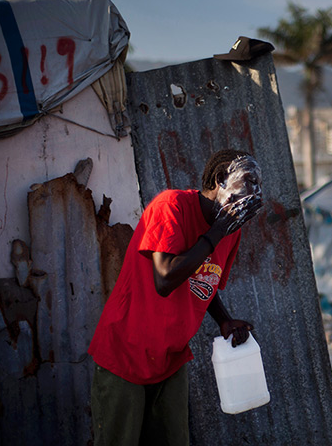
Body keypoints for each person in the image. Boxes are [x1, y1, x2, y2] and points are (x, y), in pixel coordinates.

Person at [88, 149, 263, 445]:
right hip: (125, 353)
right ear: (221, 179)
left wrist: (224, 320)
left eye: (259, 185)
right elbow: (165, 278)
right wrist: (217, 232)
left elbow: (203, 278)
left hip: (169, 358)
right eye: (249, 182)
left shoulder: (230, 231)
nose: (255, 193)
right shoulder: (171, 206)